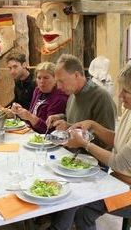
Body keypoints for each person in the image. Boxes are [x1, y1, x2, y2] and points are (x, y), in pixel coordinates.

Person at [48, 63, 131, 230]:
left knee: (80, 204)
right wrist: (93, 125)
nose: (120, 95)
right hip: (118, 179)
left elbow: (119, 162)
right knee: (75, 193)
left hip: (126, 189)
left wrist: (85, 144)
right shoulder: (128, 110)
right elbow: (119, 140)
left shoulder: (100, 97)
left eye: (126, 92)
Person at [46, 54, 116, 149]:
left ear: (76, 75)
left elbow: (107, 142)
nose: (58, 87)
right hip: (70, 156)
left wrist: (68, 128)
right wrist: (59, 117)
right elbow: (76, 118)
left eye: (61, 81)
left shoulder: (101, 97)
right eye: (57, 82)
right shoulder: (72, 94)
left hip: (91, 161)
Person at [11, 62, 68, 133]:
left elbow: (49, 130)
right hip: (32, 134)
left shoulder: (59, 98)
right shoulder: (37, 91)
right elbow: (31, 116)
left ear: (55, 79)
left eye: (46, 78)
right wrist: (19, 111)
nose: (42, 81)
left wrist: (30, 117)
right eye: (39, 78)